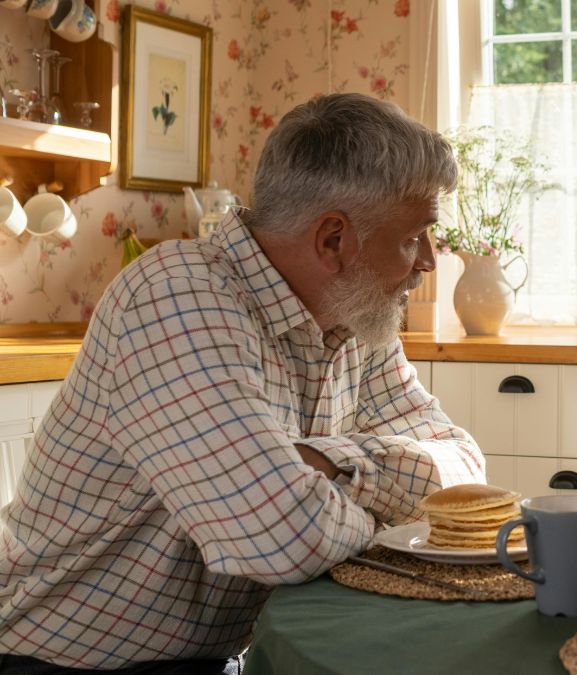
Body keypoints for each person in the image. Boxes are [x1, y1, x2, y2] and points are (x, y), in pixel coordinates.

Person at [0, 94, 485, 672]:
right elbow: (288, 540)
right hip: (55, 664)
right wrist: (380, 499)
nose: (429, 261)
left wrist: (325, 463)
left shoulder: (353, 319)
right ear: (332, 240)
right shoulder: (175, 297)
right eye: (414, 238)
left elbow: (466, 472)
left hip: (213, 660)